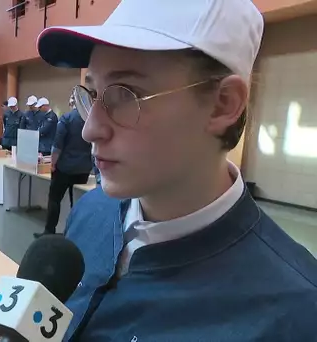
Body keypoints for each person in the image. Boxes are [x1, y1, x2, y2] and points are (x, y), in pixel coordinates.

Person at [37, 0, 317, 340]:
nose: (90, 130)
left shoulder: (294, 313)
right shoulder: (91, 210)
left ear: (223, 104)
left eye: (125, 94)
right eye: (92, 93)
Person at [34, 95, 92, 239]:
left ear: (72, 103)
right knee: (77, 202)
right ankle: (75, 233)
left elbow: (57, 145)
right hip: (84, 168)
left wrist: (52, 163)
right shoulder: (91, 120)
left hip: (65, 168)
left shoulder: (66, 119)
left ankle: (49, 231)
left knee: (54, 199)